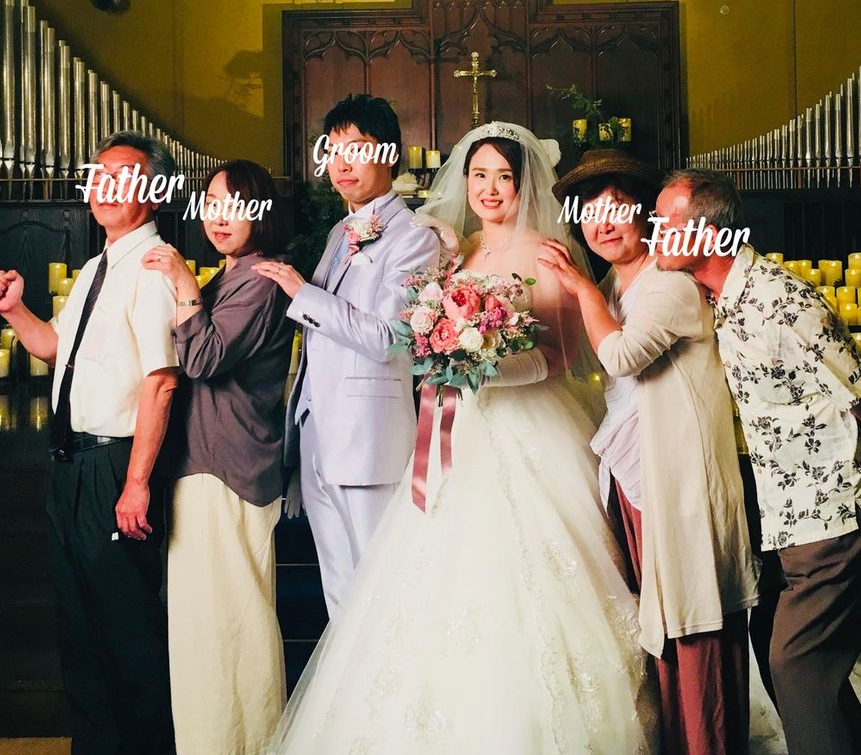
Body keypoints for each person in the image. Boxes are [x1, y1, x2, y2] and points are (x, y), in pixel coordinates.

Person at [269, 123, 654, 754]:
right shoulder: (458, 250)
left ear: (525, 184)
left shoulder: (544, 253)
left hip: (525, 427)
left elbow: (558, 357)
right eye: (479, 175)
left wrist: (483, 366)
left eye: (504, 176)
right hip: (455, 427)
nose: (489, 188)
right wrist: (448, 356)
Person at [654, 168, 861, 755]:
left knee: (797, 663)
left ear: (707, 234)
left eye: (665, 225)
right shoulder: (716, 296)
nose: (656, 235)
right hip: (791, 512)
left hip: (840, 507)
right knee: (784, 651)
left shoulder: (781, 300)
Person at [539, 149, 759, 755]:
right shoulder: (617, 284)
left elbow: (620, 357)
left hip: (678, 485)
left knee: (694, 627)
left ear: (647, 217)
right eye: (589, 213)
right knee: (656, 626)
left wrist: (578, 285)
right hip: (636, 478)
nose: (602, 225)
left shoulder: (669, 284)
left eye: (616, 209)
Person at [0, 131, 178, 755]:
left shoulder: (153, 267)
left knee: (128, 634)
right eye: (99, 175)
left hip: (115, 468)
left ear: (153, 192)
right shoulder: (97, 268)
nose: (105, 187)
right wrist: (15, 311)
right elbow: (54, 349)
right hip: (70, 465)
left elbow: (162, 380)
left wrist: (136, 483)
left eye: (123, 176)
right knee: (80, 631)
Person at [254, 94, 440, 615]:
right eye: (333, 150)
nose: (342, 163)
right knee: (339, 595)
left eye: (357, 149)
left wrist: (302, 293)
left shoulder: (414, 237)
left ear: (389, 155)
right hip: (317, 432)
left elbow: (389, 338)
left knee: (381, 591)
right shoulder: (341, 230)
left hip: (368, 437)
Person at [141, 160, 294, 755]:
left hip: (227, 469)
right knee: (204, 628)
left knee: (232, 626)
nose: (220, 216)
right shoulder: (230, 277)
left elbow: (202, 359)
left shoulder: (261, 279)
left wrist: (182, 281)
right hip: (203, 466)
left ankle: (247, 745)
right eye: (211, 203)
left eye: (236, 204)